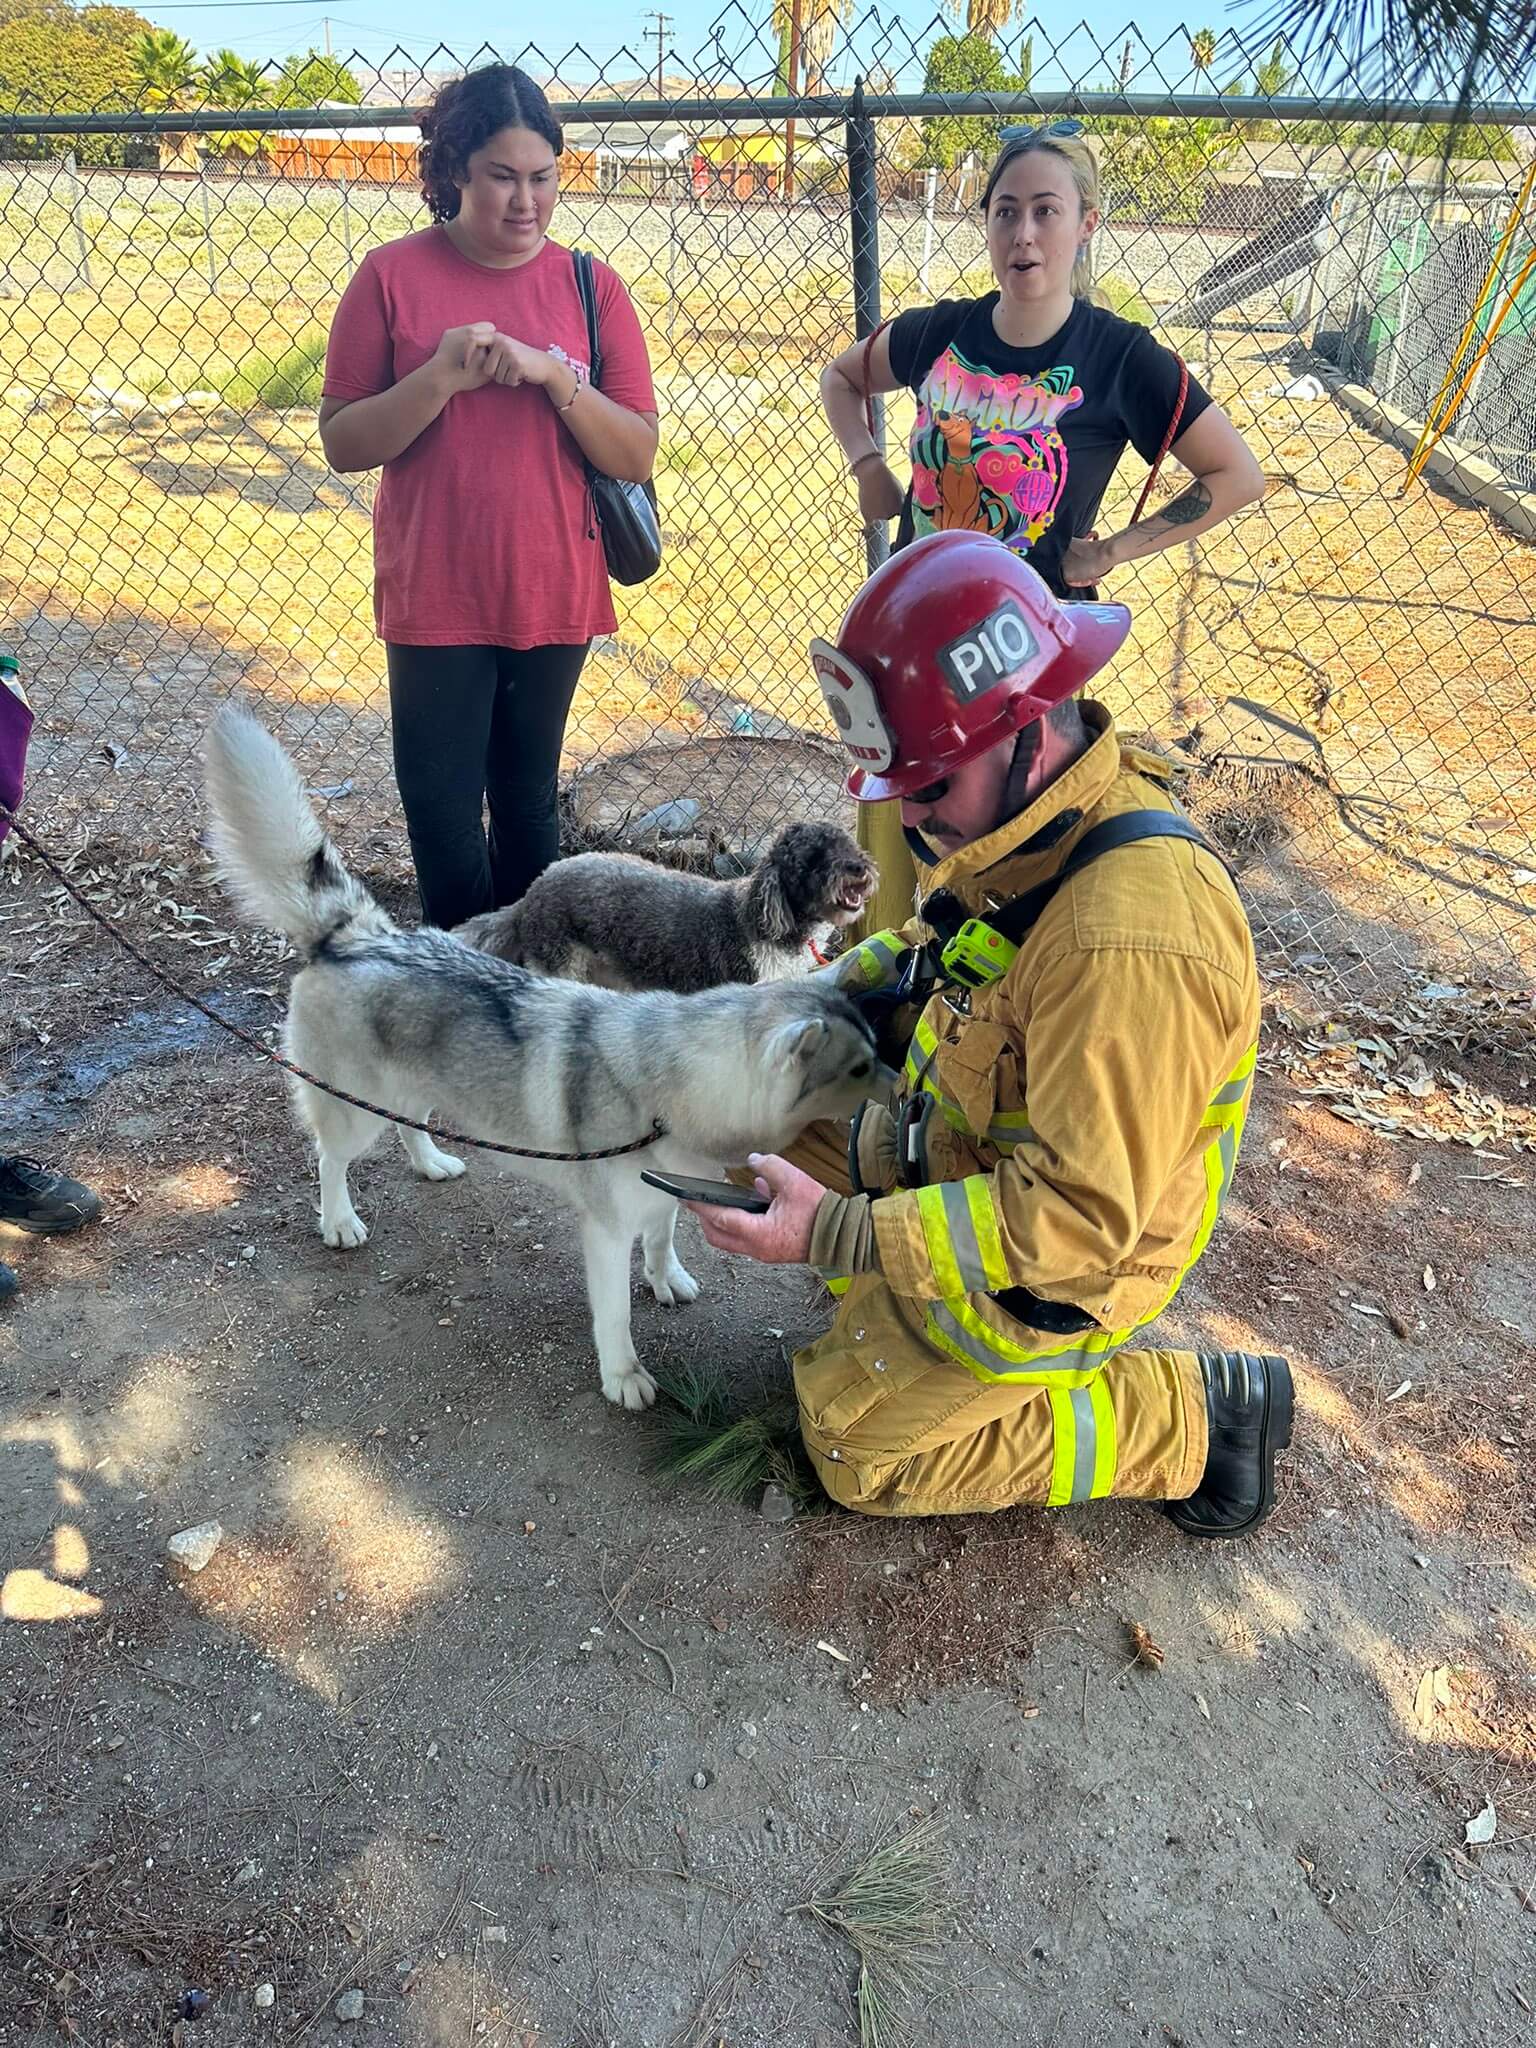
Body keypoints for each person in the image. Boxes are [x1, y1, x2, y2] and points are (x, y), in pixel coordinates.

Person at [688, 531, 1293, 1537]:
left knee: (852, 1446)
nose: (912, 817)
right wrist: (815, 991)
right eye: (899, 790)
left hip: (1062, 1266)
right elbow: (943, 942)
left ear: (1025, 730)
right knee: (749, 1104)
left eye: (928, 787)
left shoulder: (1132, 941)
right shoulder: (1032, 816)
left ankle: (1192, 1414)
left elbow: (1073, 1225)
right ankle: (892, 1307)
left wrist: (835, 1231)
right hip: (950, 1142)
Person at [818, 120, 1266, 934]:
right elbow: (842, 376)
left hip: (1022, 667)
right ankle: (883, 986)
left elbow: (1236, 473)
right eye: (1005, 211)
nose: (1023, 234)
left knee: (1016, 860)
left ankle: (1000, 1003)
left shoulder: (1119, 355)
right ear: (985, 221)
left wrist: (1120, 549)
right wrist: (868, 466)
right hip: (913, 650)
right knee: (893, 838)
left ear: (1085, 223)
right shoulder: (936, 332)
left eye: (1047, 212)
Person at [319, 63, 659, 930]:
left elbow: (637, 448)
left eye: (542, 177)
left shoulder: (593, 286)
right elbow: (344, 441)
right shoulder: (392, 277)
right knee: (438, 813)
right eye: (502, 178)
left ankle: (530, 994)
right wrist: (436, 378)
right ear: (455, 172)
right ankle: (463, 988)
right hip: (436, 591)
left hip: (553, 586)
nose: (526, 202)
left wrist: (553, 377)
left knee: (527, 805)